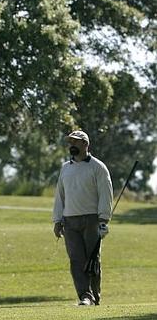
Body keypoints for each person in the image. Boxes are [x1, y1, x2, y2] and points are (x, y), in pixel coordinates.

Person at [52, 130, 113, 306]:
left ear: (85, 144)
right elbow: (60, 195)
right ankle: (85, 296)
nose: (72, 145)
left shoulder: (98, 167)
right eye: (70, 142)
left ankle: (95, 294)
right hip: (70, 221)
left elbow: (105, 195)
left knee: (92, 259)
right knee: (76, 260)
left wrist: (103, 219)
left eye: (76, 142)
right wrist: (57, 220)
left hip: (92, 220)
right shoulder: (65, 168)